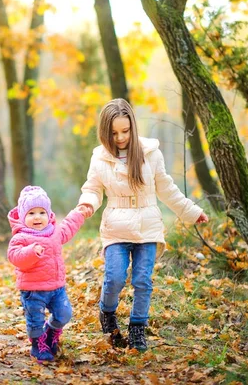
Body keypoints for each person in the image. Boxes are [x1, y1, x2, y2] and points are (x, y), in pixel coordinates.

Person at [78, 98, 209, 351]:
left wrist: (192, 212)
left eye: (125, 131)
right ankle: (107, 312)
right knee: (114, 277)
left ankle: (137, 329)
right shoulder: (100, 158)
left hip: (148, 226)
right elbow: (92, 188)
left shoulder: (151, 154)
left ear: (133, 127)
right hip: (116, 226)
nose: (120, 137)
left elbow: (167, 190)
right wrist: (87, 204)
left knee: (142, 280)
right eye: (113, 133)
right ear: (105, 131)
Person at [7, 185, 88, 362]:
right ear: (22, 216)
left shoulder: (54, 232)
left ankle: (51, 333)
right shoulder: (20, 237)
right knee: (35, 320)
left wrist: (79, 213)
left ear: (49, 214)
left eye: (42, 212)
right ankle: (38, 345)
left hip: (56, 287)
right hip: (32, 290)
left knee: (64, 313)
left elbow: (68, 227)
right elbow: (14, 256)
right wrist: (31, 252)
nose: (37, 217)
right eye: (31, 213)